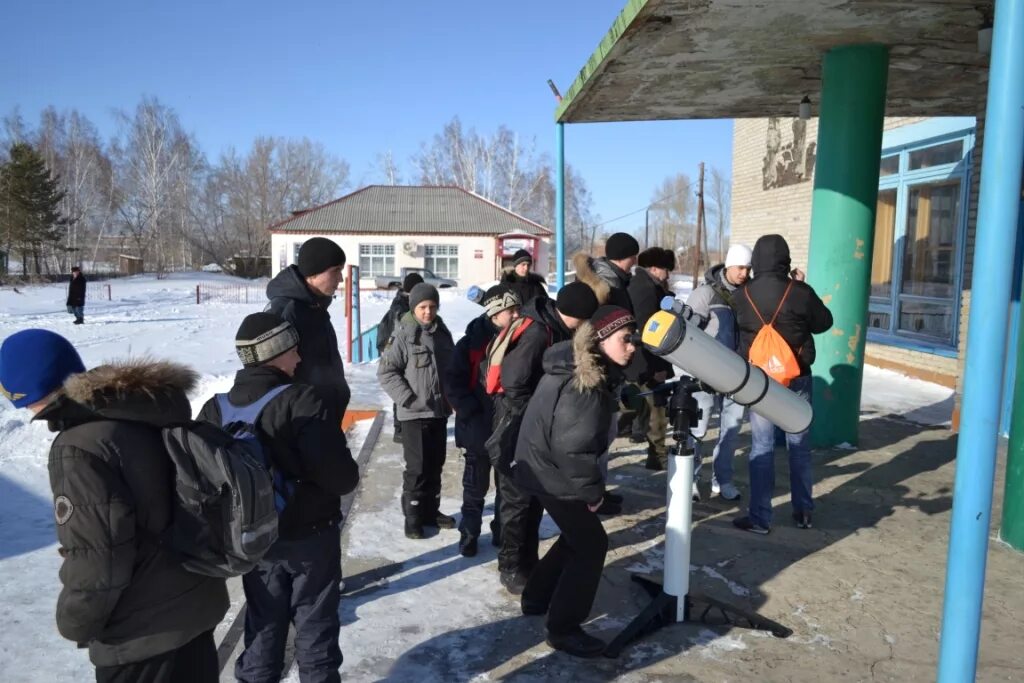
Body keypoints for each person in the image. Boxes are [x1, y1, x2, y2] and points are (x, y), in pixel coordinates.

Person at [0, 329, 228, 682]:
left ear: (24, 391)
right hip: (194, 607)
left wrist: (75, 621)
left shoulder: (78, 447)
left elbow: (99, 559)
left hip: (141, 635)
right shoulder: (144, 410)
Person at [197, 313, 360, 683]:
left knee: (262, 626)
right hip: (310, 537)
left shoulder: (215, 409)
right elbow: (342, 478)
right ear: (274, 352)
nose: (299, 358)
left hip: (252, 540)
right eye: (292, 350)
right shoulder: (303, 400)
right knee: (315, 630)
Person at [513, 305, 637, 658]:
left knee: (576, 536)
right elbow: (574, 449)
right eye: (625, 339)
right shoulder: (585, 382)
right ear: (600, 339)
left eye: (634, 339)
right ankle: (563, 628)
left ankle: (536, 597)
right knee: (591, 543)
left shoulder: (577, 365)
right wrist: (593, 492)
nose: (632, 346)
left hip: (539, 464)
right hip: (551, 471)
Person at [486, 280, 600, 594]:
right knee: (517, 501)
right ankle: (511, 566)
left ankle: (528, 562)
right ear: (576, 315)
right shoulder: (538, 333)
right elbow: (514, 381)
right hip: (515, 424)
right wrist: (538, 411)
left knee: (533, 498)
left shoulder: (554, 326)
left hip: (531, 424)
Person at [731, 234, 833, 533]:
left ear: (757, 260)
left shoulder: (742, 294)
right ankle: (803, 512)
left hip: (761, 382)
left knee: (761, 446)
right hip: (796, 377)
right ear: (785, 259)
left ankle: (760, 517)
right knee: (798, 447)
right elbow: (824, 322)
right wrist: (800, 284)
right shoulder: (799, 291)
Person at [445, 285, 521, 557]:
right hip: (478, 427)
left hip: (508, 427)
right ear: (494, 313)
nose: (516, 315)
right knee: (474, 488)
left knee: (508, 489)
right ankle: (469, 534)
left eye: (517, 309)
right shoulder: (471, 343)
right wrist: (469, 409)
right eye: (510, 310)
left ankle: (503, 532)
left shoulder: (520, 340)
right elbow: (452, 382)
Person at [378, 282, 456, 539]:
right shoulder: (403, 334)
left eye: (432, 306)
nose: (427, 312)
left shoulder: (441, 333)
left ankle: (431, 511)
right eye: (423, 307)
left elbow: (451, 368)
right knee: (418, 468)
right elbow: (387, 372)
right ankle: (412, 517)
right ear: (414, 307)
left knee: (435, 465)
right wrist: (408, 399)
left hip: (438, 412)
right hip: (414, 414)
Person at [684, 244, 753, 501]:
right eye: (740, 268)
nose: (744, 273)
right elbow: (687, 331)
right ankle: (690, 480)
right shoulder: (705, 294)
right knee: (697, 429)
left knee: (731, 430)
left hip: (738, 375)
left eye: (748, 268)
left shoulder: (750, 296)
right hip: (705, 374)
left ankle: (722, 480)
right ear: (728, 266)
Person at [267, 237, 351, 421]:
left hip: (323, 417)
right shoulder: (287, 312)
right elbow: (273, 375)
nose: (340, 278)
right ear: (313, 273)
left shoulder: (315, 306)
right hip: (303, 421)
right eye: (335, 271)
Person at [626, 247, 676, 469]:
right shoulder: (646, 289)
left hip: (644, 361)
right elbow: (650, 332)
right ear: (654, 268)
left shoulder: (646, 285)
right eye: (666, 269)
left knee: (649, 409)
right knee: (656, 411)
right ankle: (658, 456)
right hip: (648, 362)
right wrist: (657, 365)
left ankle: (656, 454)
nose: (669, 274)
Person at [376, 272, 425, 444]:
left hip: (401, 353)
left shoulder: (403, 303)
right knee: (403, 389)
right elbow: (402, 334)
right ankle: (400, 429)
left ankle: (403, 427)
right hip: (400, 354)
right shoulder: (401, 309)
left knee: (407, 388)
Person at [573, 232, 641, 312]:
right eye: (632, 257)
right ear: (620, 257)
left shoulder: (620, 279)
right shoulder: (604, 286)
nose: (635, 261)